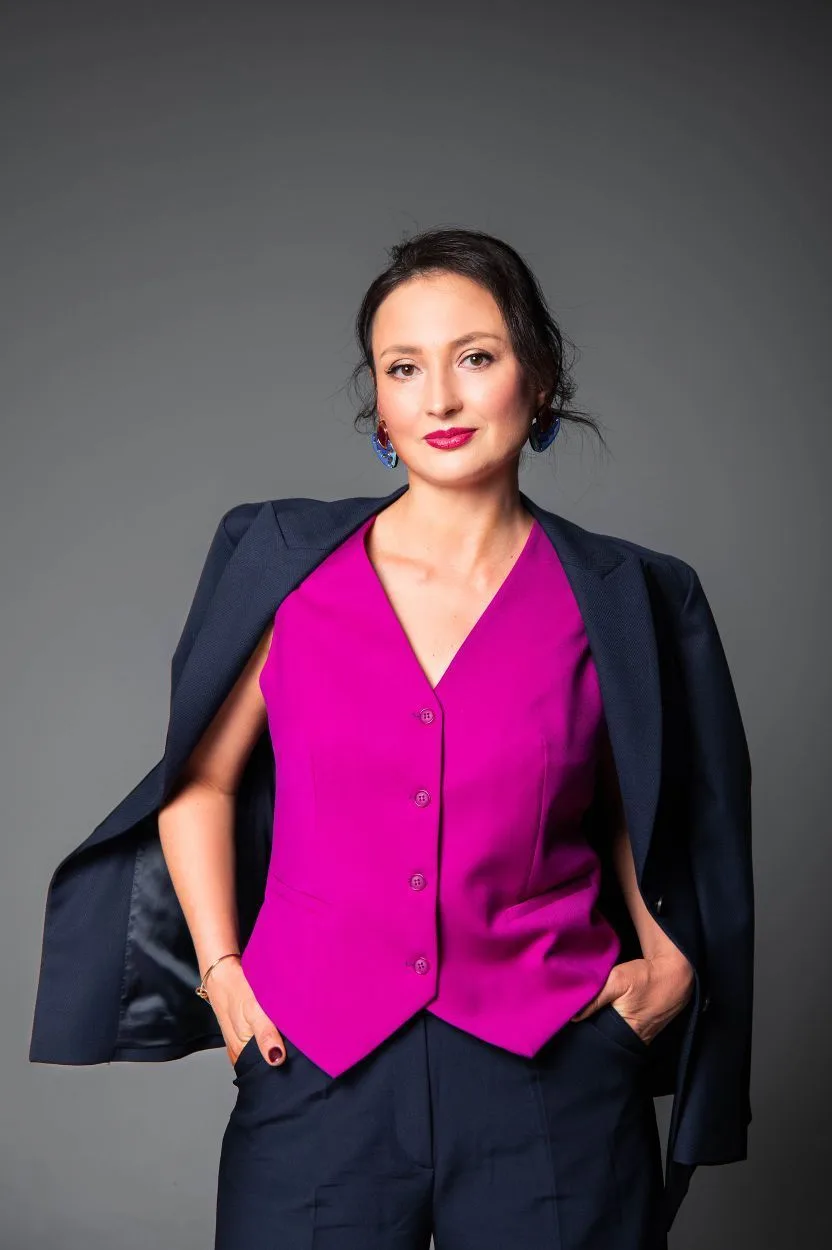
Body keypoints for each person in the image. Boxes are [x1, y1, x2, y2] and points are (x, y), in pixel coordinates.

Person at [29, 227, 754, 1250]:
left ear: (538, 376)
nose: (439, 399)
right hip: (313, 1071)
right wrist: (222, 969)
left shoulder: (626, 595)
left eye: (476, 357)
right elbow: (201, 779)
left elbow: (650, 798)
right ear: (378, 399)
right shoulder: (283, 569)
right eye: (403, 368)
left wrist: (671, 962)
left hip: (553, 1072)